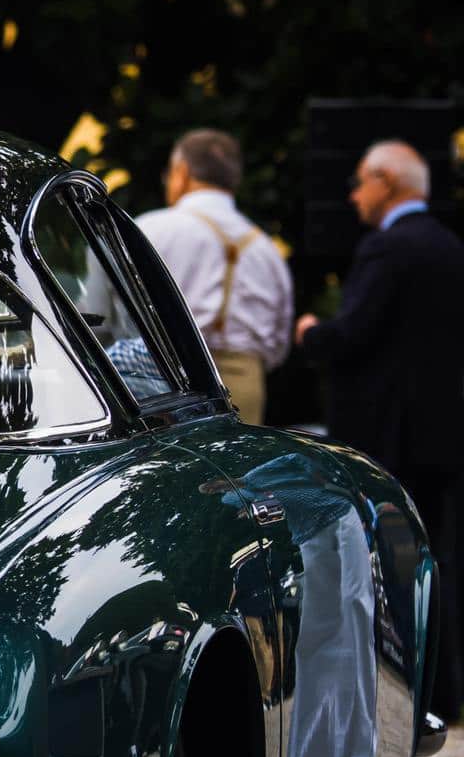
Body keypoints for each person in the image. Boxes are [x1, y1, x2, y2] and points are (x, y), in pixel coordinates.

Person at [296, 140, 464, 719]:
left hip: (386, 435)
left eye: (360, 182)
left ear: (386, 182)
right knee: (436, 559)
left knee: (384, 565)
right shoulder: (450, 246)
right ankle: (443, 691)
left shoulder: (387, 248)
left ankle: (393, 693)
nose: (353, 195)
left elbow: (353, 336)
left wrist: (312, 332)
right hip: (442, 434)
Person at [135, 129, 292, 423]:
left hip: (160, 382)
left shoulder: (147, 230)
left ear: (181, 172)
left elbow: (100, 316)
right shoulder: (267, 249)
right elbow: (279, 342)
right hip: (244, 384)